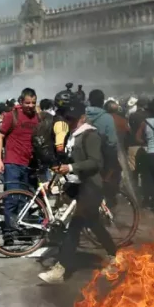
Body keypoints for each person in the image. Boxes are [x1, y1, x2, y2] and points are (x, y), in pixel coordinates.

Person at [38, 100, 118, 284]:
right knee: (94, 224)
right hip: (77, 186)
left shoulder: (90, 135)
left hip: (91, 187)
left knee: (74, 227)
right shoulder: (74, 135)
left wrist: (70, 167)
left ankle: (60, 269)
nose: (69, 122)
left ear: (82, 118)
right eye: (67, 119)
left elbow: (95, 162)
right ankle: (114, 255)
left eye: (73, 119)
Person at [0, 88, 40, 245]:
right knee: (11, 198)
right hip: (12, 162)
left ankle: (22, 228)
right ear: (21, 102)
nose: (30, 106)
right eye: (27, 103)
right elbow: (0, 137)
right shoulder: (12, 115)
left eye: (33, 103)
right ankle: (9, 231)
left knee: (25, 199)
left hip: (29, 164)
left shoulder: (37, 117)